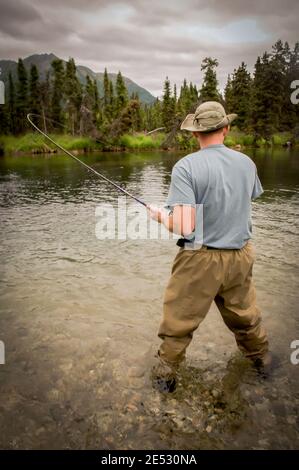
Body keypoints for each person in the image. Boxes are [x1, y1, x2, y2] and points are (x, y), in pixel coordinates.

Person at [148, 101, 271, 393]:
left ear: (194, 134)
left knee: (178, 324)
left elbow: (185, 226)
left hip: (199, 258)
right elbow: (243, 200)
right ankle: (264, 366)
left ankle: (164, 384)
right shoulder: (247, 163)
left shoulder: (186, 167)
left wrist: (160, 217)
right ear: (226, 129)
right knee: (246, 318)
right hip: (241, 255)